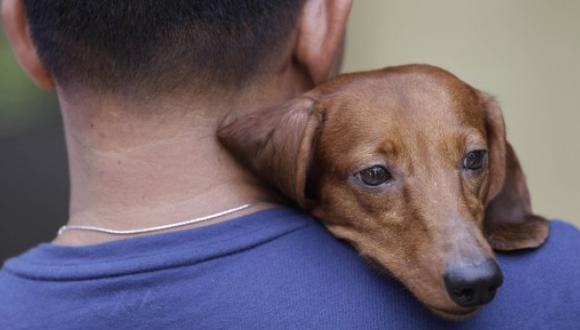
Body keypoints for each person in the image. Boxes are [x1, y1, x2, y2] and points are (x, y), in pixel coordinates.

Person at [1, 1, 579, 329]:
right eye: (375, 175)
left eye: (472, 162)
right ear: (321, 22)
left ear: (21, 32)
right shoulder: (567, 284)